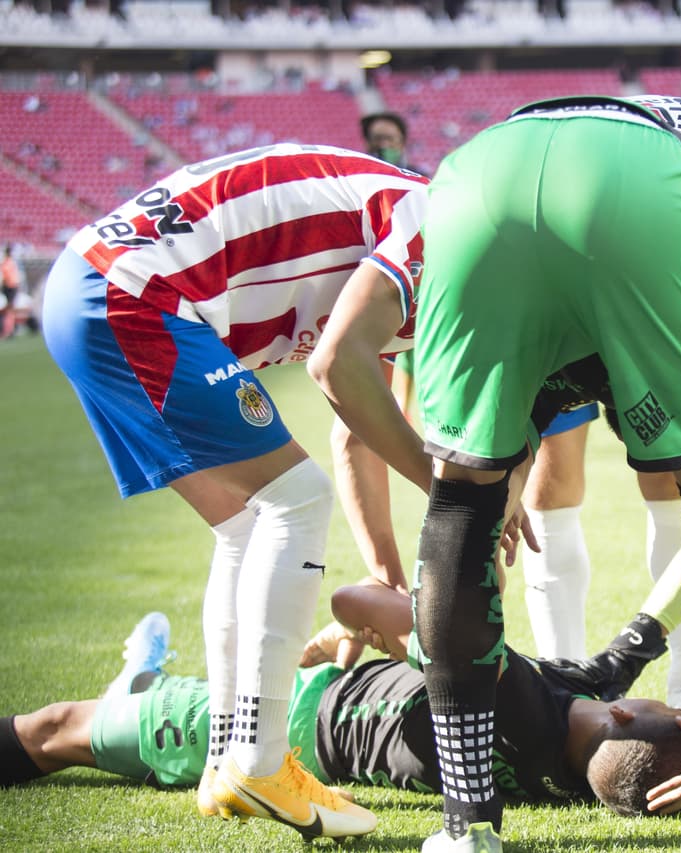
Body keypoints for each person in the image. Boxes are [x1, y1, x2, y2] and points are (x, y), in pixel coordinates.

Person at [392, 95, 681, 853]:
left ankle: (465, 831)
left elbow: (481, 475)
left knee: (459, 500)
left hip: (472, 174)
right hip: (633, 188)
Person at [41, 143, 434, 840]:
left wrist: (393, 569)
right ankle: (259, 759)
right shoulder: (434, 223)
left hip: (96, 284)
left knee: (248, 523)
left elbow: (358, 415)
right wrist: (453, 495)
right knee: (298, 497)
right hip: (130, 293)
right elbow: (337, 372)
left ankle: (229, 756)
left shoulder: (409, 243)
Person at [0, 611, 681, 816]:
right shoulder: (558, 772)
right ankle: (145, 673)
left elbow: (376, 603)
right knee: (105, 711)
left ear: (626, 719)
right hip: (313, 700)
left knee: (55, 731)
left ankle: (143, 682)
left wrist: (362, 629)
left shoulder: (527, 699)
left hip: (272, 718)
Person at [518, 93, 681, 720]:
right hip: (561, 260)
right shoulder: (560, 174)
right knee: (548, 481)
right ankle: (565, 684)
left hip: (639, 267)